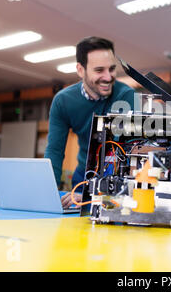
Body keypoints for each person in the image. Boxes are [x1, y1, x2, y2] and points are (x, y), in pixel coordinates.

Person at [45, 36, 135, 208]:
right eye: (99, 70)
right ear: (81, 70)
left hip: (117, 176)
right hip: (83, 175)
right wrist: (48, 195)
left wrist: (92, 193)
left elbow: (121, 150)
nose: (108, 77)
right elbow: (54, 151)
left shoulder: (126, 96)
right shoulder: (63, 101)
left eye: (112, 69)